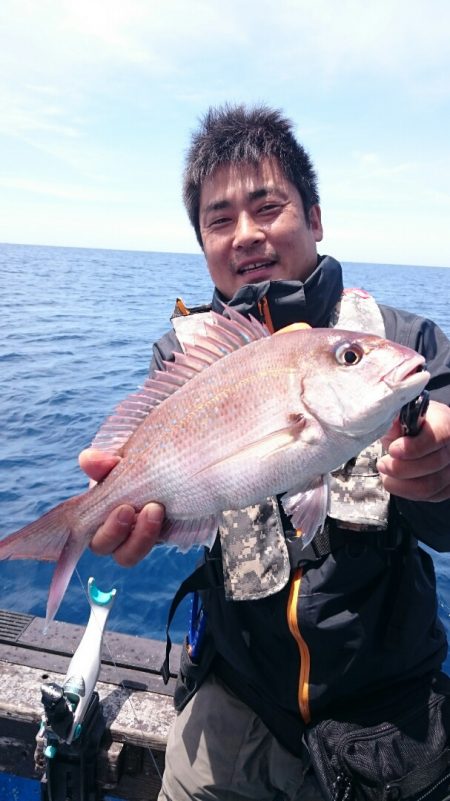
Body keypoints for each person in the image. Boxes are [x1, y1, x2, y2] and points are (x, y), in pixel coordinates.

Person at [79, 105, 450, 801]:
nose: (245, 234)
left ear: (315, 218)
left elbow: (447, 524)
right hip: (235, 702)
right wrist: (121, 525)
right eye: (220, 220)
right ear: (203, 245)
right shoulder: (183, 360)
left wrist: (442, 479)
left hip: (390, 714)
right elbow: (169, 498)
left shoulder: (406, 344)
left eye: (267, 206)